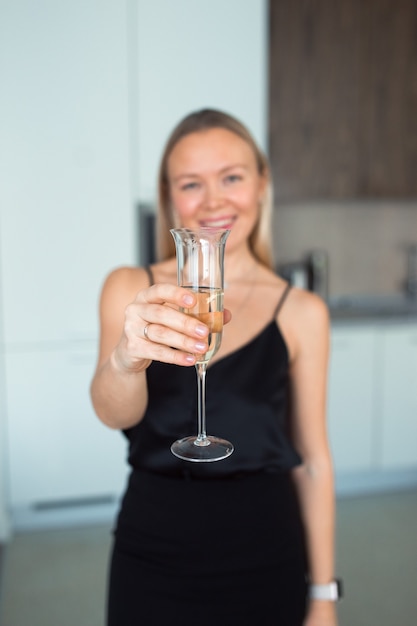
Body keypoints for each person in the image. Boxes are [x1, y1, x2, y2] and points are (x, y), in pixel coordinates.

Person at [90, 108, 339, 626]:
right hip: (152, 549)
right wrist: (125, 360)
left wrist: (322, 596)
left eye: (232, 177)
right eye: (191, 183)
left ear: (262, 184)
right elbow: (115, 416)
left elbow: (314, 463)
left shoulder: (302, 311)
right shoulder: (129, 287)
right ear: (169, 197)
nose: (214, 200)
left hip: (267, 552)